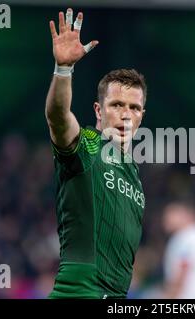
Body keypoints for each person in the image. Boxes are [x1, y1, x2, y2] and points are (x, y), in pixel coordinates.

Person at [45, 8, 147, 298]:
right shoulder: (88, 145)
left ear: (142, 116)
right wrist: (63, 69)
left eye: (134, 108)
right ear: (99, 111)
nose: (126, 115)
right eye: (117, 105)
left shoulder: (135, 176)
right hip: (78, 292)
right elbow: (58, 117)